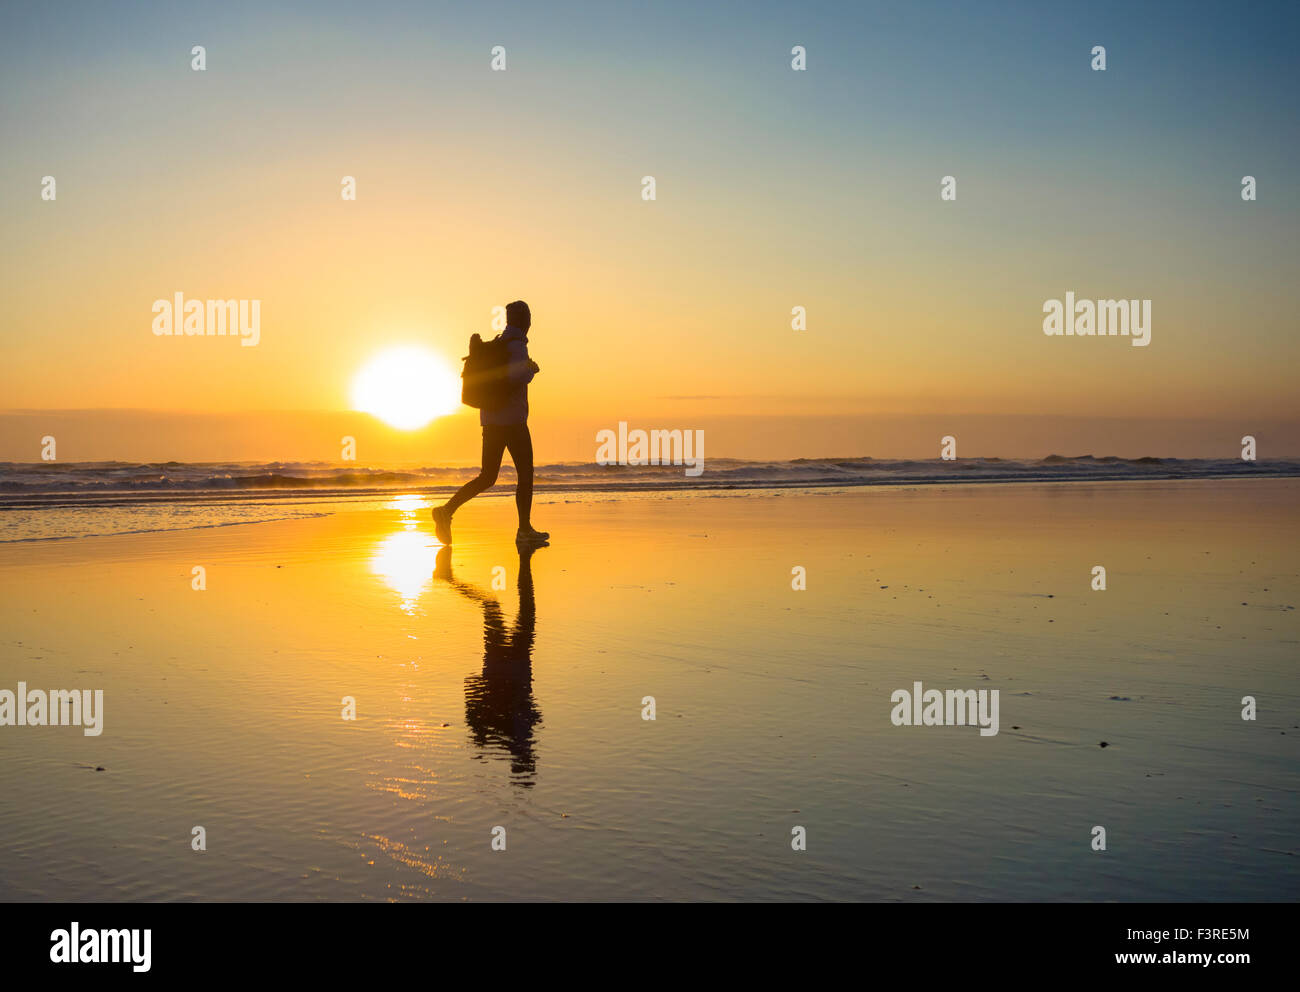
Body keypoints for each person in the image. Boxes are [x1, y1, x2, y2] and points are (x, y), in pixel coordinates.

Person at [432, 300, 549, 545]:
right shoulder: (517, 346)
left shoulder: (498, 343)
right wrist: (531, 370)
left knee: (487, 477)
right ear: (526, 321)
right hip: (514, 422)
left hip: (491, 421)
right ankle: (524, 530)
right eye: (528, 317)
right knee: (525, 474)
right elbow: (516, 377)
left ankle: (447, 511)